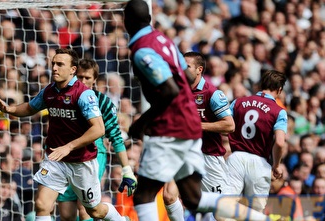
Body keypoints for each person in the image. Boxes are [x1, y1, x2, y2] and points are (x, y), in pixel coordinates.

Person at [123, 0, 274, 220]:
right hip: (188, 127)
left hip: (171, 127)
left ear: (127, 21)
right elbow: (180, 76)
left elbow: (169, 90)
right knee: (191, 198)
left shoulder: (143, 49)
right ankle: (262, 218)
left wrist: (141, 123)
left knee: (143, 195)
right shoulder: (163, 39)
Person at [0, 48, 129, 221]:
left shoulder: (84, 95)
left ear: (73, 70)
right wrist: (9, 109)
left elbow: (99, 129)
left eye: (60, 64)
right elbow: (30, 107)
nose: (54, 68)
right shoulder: (50, 91)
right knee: (42, 205)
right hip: (56, 158)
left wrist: (69, 147)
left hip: (82, 161)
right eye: (53, 63)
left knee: (94, 211)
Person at [57, 59, 137, 221]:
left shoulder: (103, 102)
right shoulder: (64, 100)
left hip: (94, 155)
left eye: (87, 77)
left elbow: (115, 137)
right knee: (66, 214)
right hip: (67, 157)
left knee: (85, 207)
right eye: (80, 77)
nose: (83, 81)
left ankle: (119, 218)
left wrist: (127, 169)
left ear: (95, 80)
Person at [162, 51, 235, 221]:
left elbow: (229, 125)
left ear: (199, 70)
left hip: (208, 157)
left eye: (186, 66)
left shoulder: (212, 93)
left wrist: (197, 125)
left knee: (221, 214)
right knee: (169, 196)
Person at [227, 69, 288, 212]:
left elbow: (224, 124)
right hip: (259, 163)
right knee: (254, 213)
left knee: (226, 206)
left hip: (236, 158)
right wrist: (277, 165)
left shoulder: (238, 102)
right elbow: (279, 142)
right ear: (279, 90)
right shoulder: (278, 111)